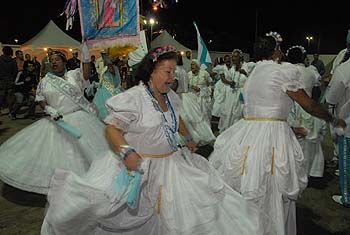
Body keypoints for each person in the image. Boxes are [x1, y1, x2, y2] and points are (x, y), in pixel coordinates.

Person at [41, 45, 273, 235]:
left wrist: (188, 137)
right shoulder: (133, 98)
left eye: (174, 72)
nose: (172, 78)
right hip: (142, 169)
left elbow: (176, 118)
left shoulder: (170, 96)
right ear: (151, 71)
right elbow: (111, 129)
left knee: (182, 216)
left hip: (173, 166)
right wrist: (127, 152)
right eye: (167, 71)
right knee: (133, 217)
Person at [209, 34, 346, 235]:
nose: (281, 52)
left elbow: (262, 110)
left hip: (248, 132)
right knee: (272, 187)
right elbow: (308, 105)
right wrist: (332, 119)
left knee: (251, 183)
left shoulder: (253, 73)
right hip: (272, 136)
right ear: (276, 51)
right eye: (279, 48)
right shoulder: (282, 72)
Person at [0, 48, 111, 195]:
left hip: (79, 118)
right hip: (57, 119)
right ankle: (64, 184)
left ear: (64, 62)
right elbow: (41, 100)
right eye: (51, 61)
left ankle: (88, 180)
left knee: (85, 151)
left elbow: (85, 72)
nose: (54, 63)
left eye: (57, 60)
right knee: (60, 154)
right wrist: (49, 109)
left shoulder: (73, 75)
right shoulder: (45, 81)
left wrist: (85, 53)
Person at [325, 56, 350, 207]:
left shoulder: (344, 70)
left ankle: (346, 197)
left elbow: (331, 98)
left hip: (347, 126)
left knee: (346, 162)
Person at [0, 46, 17, 114]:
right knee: (10, 97)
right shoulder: (13, 61)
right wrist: (12, 78)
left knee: (1, 96)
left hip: (1, 81)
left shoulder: (0, 59)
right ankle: (11, 111)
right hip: (10, 80)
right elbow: (15, 71)